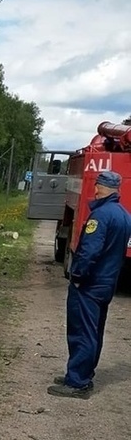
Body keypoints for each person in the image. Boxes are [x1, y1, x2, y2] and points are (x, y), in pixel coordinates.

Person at [48, 169, 131, 398]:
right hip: (107, 284)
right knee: (94, 331)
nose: (94, 189)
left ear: (100, 187)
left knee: (82, 332)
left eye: (96, 185)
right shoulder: (124, 215)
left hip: (89, 285)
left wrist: (77, 276)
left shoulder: (101, 216)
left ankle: (77, 382)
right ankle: (83, 374)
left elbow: (88, 252)